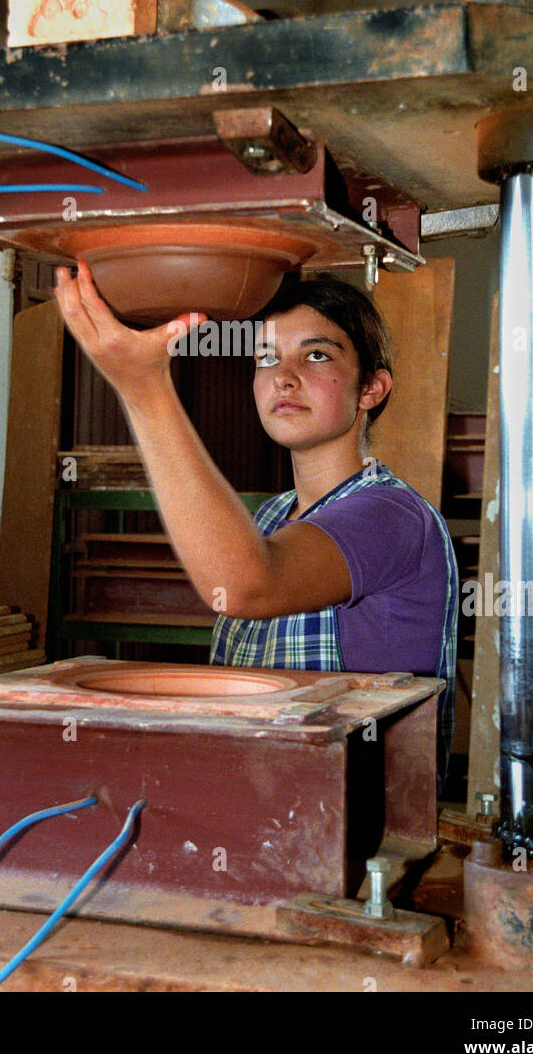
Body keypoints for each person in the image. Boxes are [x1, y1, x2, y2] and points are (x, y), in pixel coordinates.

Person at [53, 262, 459, 790]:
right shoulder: (268, 518)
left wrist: (144, 387)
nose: (284, 376)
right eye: (267, 357)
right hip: (256, 788)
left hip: (349, 817)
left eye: (316, 355)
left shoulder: (392, 515)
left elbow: (247, 584)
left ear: (371, 389)